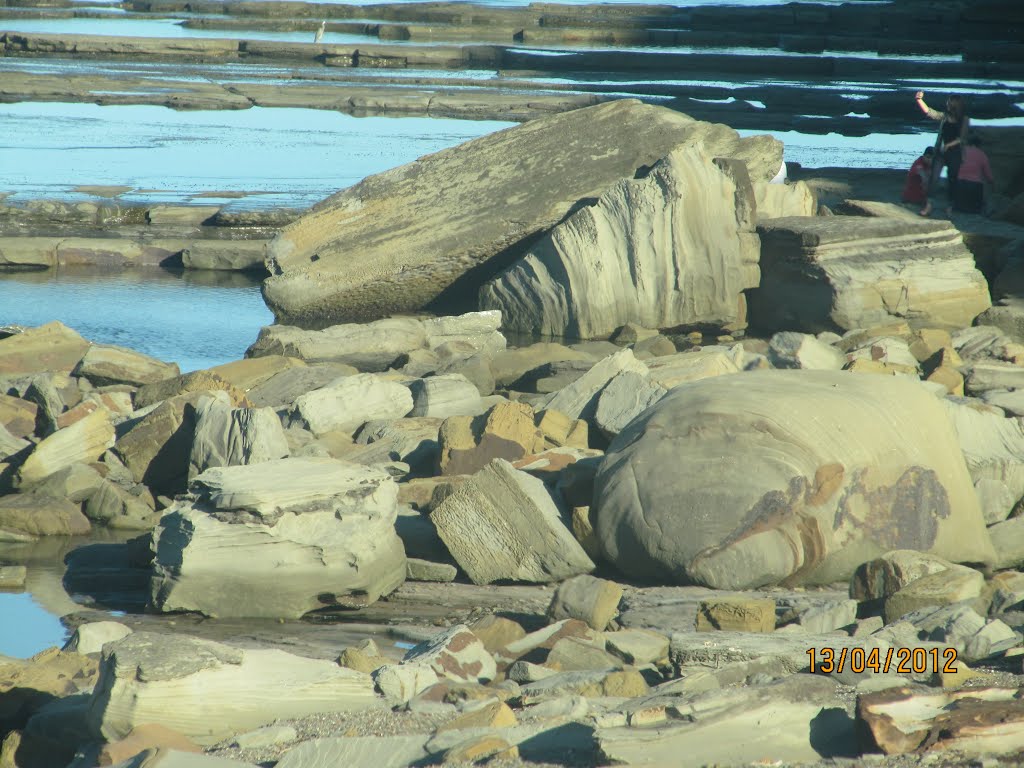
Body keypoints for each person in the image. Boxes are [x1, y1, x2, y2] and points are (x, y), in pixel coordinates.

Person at [914, 91, 969, 217]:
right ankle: (929, 206)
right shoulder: (944, 116)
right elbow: (929, 112)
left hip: (954, 153)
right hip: (940, 152)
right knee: (934, 178)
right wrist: (919, 100)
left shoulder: (964, 119)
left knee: (952, 180)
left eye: (949, 102)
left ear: (955, 105)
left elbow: (962, 138)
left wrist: (949, 145)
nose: (947, 104)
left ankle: (950, 207)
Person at [954, 134, 994, 214]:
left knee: (958, 206)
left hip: (959, 185)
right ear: (979, 145)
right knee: (974, 209)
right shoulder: (982, 155)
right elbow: (988, 175)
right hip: (974, 187)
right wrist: (992, 183)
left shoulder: (961, 151)